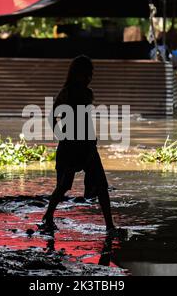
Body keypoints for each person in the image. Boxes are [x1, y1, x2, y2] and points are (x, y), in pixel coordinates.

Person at [40, 55, 115, 234]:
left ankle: (110, 226)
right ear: (77, 74)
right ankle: (48, 216)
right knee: (65, 185)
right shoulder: (67, 93)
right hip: (73, 146)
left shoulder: (85, 93)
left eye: (91, 73)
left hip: (86, 145)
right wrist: (64, 137)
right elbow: (52, 117)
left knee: (101, 185)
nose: (89, 77)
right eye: (87, 73)